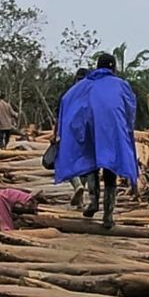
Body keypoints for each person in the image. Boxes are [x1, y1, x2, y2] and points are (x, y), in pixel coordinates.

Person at [53, 53, 139, 229]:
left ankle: (93, 202)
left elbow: (67, 101)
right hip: (113, 131)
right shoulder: (121, 86)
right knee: (110, 169)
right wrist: (127, 128)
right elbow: (130, 107)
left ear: (97, 66)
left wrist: (67, 130)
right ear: (113, 68)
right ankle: (108, 214)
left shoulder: (86, 84)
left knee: (92, 165)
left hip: (91, 129)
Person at [55, 68, 89, 208]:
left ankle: (77, 185)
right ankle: (80, 199)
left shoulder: (68, 95)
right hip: (88, 135)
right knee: (86, 164)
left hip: (70, 134)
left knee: (67, 161)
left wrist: (55, 134)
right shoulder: (91, 96)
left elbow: (59, 117)